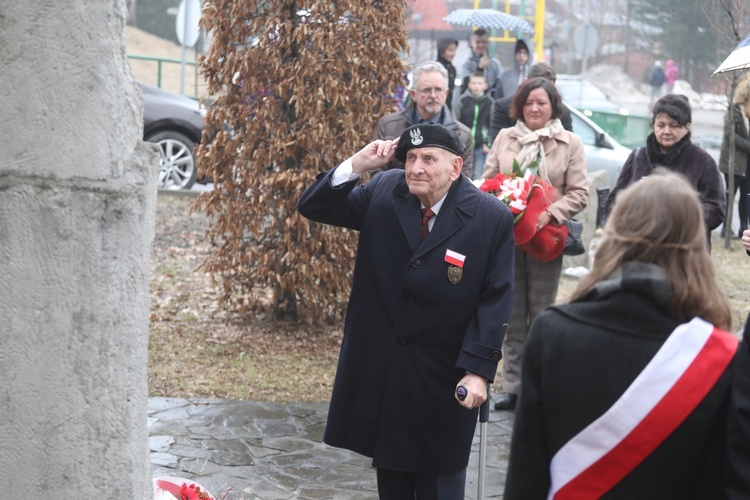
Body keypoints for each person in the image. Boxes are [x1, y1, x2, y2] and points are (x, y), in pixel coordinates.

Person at [297, 123, 515, 499]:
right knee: (394, 483)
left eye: (429, 159)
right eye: (411, 158)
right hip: (389, 372)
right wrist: (359, 163)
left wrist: (479, 370)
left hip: (444, 376)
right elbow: (314, 205)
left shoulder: (489, 217)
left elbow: (495, 298)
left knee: (439, 482)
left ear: (456, 166)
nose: (416, 168)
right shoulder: (385, 190)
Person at [504, 171, 738, 499]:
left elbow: (526, 480)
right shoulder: (722, 357)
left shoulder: (552, 333)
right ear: (695, 246)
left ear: (616, 236)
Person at [481, 77, 588, 411]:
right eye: (529, 103)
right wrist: (502, 201)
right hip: (509, 241)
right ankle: (512, 385)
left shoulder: (569, 142)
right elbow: (487, 180)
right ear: (520, 107)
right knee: (511, 314)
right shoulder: (505, 137)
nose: (535, 109)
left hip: (546, 240)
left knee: (541, 314)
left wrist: (549, 214)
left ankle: (539, 383)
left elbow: (580, 192)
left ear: (553, 105)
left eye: (541, 102)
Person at [606, 94, 726, 247]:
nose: (666, 131)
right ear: (653, 125)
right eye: (661, 125)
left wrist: (677, 216)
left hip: (683, 255)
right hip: (637, 251)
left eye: (673, 125)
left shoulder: (702, 162)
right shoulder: (638, 157)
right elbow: (614, 201)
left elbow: (716, 210)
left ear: (686, 126)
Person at [374, 61, 473, 177]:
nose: (433, 95)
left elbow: (463, 180)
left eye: (438, 90)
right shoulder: (388, 125)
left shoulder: (463, 135)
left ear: (446, 93)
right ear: (413, 95)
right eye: (427, 90)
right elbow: (376, 170)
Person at [488, 62, 573, 144]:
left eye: (548, 88)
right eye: (529, 104)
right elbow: (498, 146)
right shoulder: (503, 107)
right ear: (526, 82)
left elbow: (567, 146)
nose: (534, 109)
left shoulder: (563, 112)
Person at [719, 72, 750, 238]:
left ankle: (743, 228)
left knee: (746, 196)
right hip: (733, 162)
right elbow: (729, 135)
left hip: (748, 164)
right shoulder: (734, 110)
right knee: (730, 195)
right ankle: (726, 227)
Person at [454, 71, 493, 179]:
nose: (476, 86)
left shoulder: (489, 102)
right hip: (463, 145)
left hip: (480, 146)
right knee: (462, 172)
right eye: (474, 83)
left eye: (480, 83)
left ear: (485, 86)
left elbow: (491, 124)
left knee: (477, 175)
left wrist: (488, 143)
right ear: (469, 85)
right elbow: (455, 120)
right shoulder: (462, 100)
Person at [460, 28, 503, 97]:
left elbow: (499, 86)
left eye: (484, 42)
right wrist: (480, 68)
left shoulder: (495, 64)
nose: (481, 45)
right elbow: (466, 87)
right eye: (478, 42)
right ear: (471, 43)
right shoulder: (466, 64)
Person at [437, 37, 459, 111]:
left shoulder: (452, 69)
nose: (453, 53)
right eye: (450, 50)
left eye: (454, 50)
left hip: (447, 107)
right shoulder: (435, 67)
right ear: (442, 51)